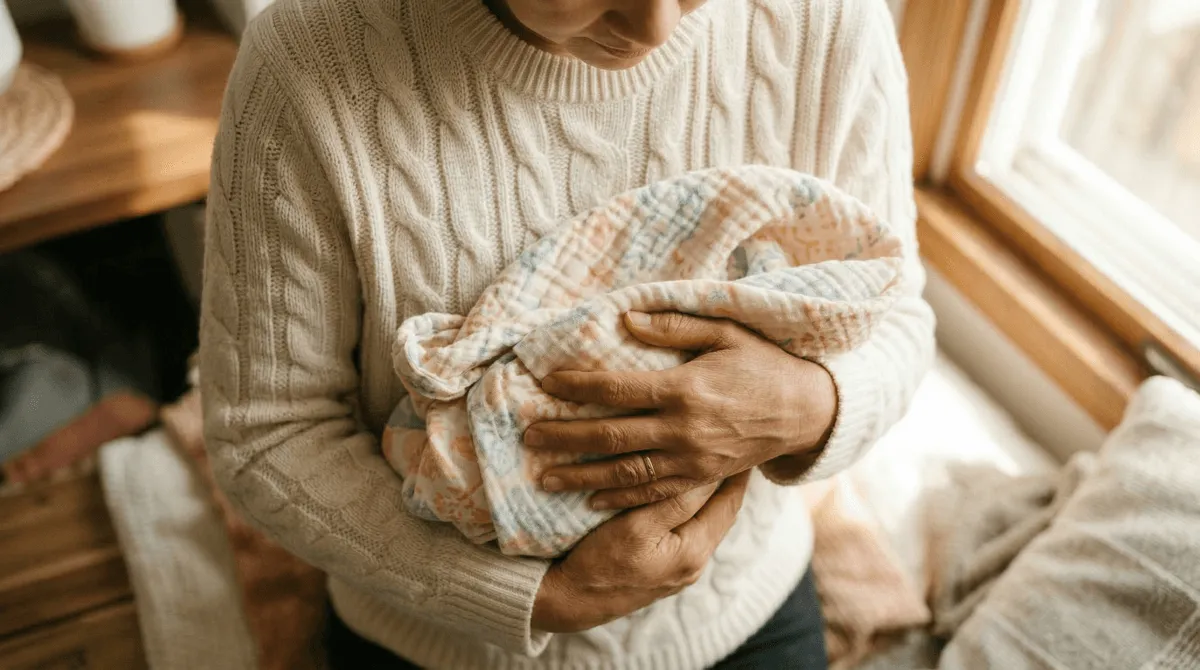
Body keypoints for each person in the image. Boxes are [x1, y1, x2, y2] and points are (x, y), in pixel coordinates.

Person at [198, 0, 936, 667]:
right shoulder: (304, 66)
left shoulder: (827, 19)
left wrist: (808, 405)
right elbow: (266, 431)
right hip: (441, 641)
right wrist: (520, 593)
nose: (655, 28)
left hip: (738, 611)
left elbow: (898, 313)